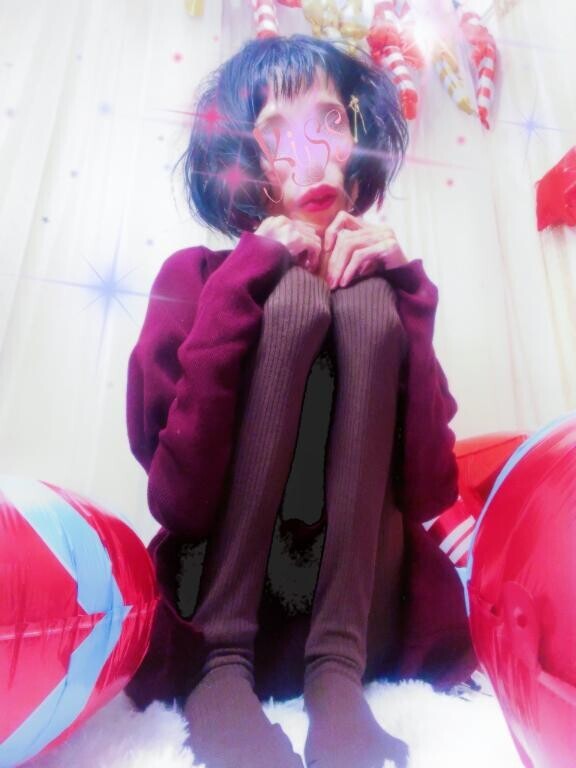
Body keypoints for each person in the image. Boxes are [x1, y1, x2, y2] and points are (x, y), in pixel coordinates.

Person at [124, 33, 477, 768]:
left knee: (365, 306)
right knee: (292, 302)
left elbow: (429, 491)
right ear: (244, 160)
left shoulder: (388, 289)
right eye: (275, 136)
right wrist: (250, 277)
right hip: (222, 613)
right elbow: (177, 498)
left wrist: (407, 293)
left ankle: (336, 675)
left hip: (365, 629)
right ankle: (220, 665)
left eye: (331, 122)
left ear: (357, 136)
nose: (312, 159)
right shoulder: (195, 278)